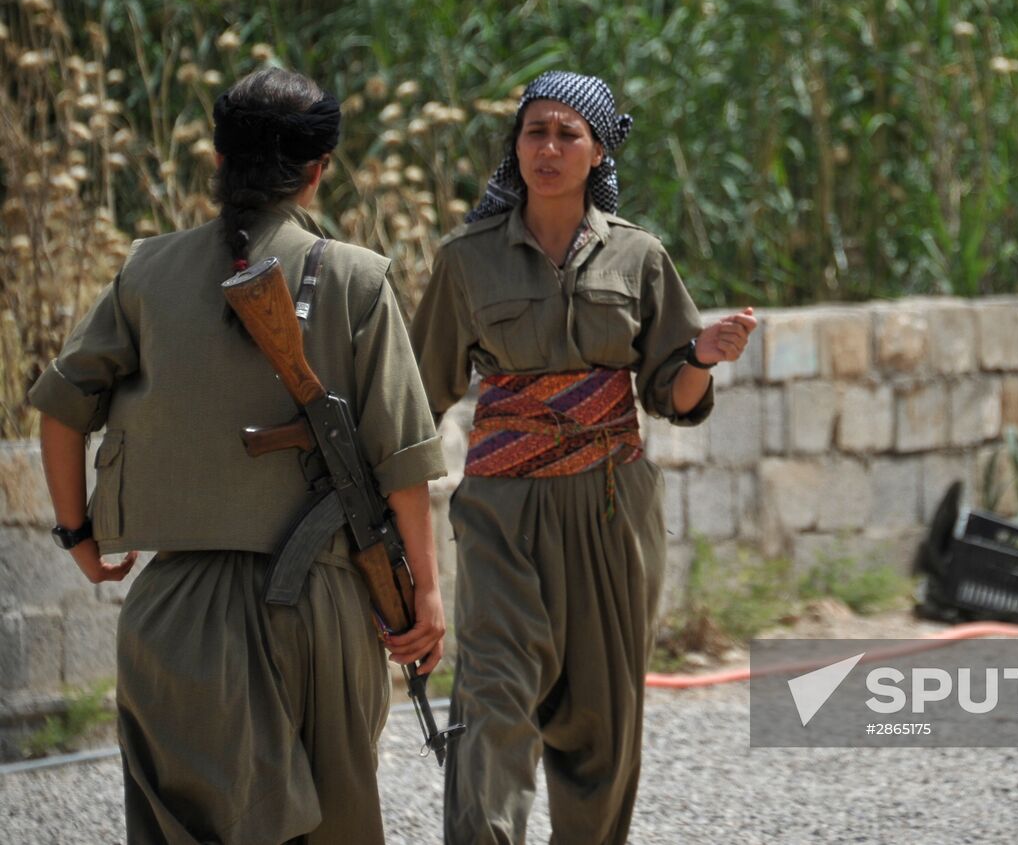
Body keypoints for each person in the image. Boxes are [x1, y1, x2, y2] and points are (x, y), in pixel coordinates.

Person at [28, 66, 448, 845]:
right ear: (319, 170)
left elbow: (60, 407)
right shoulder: (355, 278)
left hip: (171, 613)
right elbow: (404, 461)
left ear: (219, 161)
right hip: (318, 609)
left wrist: (77, 535)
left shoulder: (146, 270)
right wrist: (423, 592)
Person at [412, 70, 756, 844]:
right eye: (535, 131)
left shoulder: (639, 256)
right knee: (493, 698)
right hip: (501, 509)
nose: (549, 148)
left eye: (568, 134)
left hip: (611, 507)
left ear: (599, 151)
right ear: (515, 146)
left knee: (604, 720)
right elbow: (419, 391)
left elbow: (673, 395)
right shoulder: (466, 260)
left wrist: (702, 355)